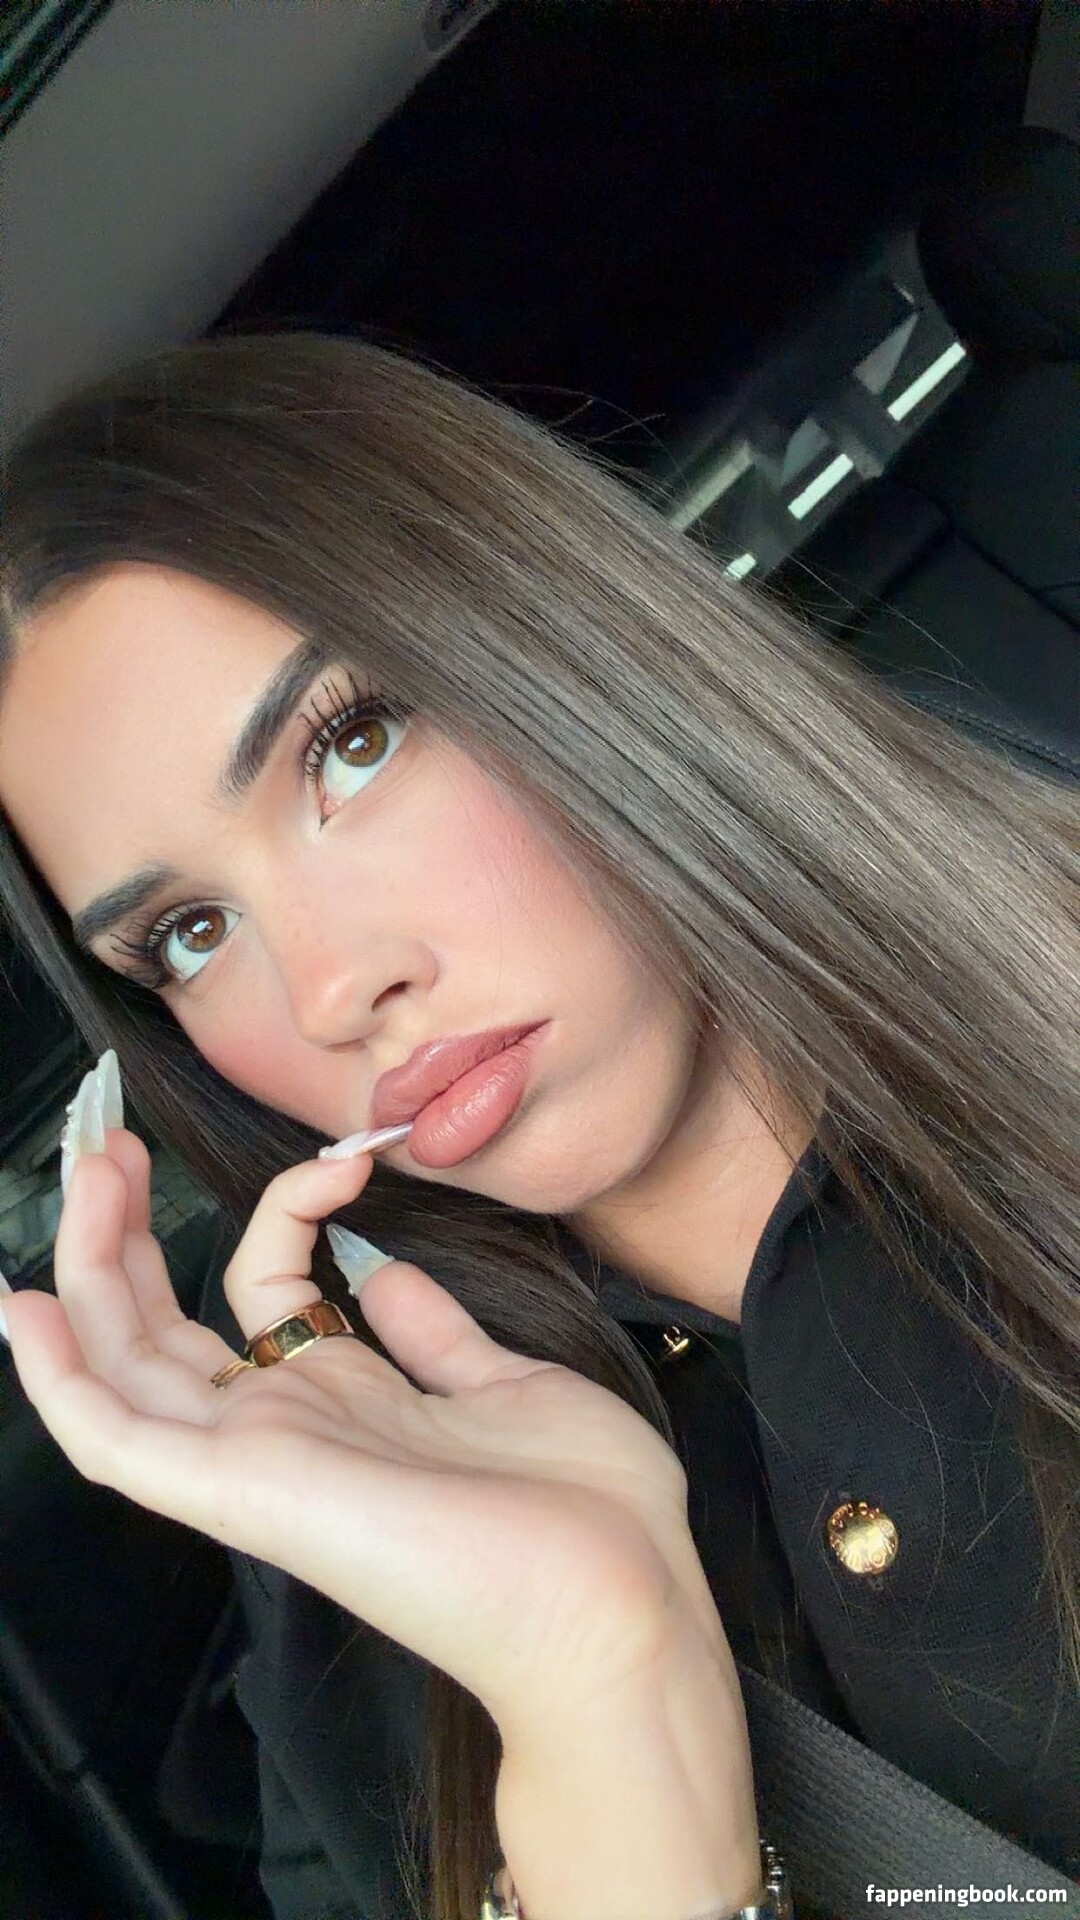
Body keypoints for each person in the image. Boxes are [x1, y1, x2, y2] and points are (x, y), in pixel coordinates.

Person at [0, 332, 1075, 1920]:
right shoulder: (356, 1588)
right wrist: (601, 1701)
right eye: (190, 935)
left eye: (351, 745)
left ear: (555, 633)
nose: (334, 989)